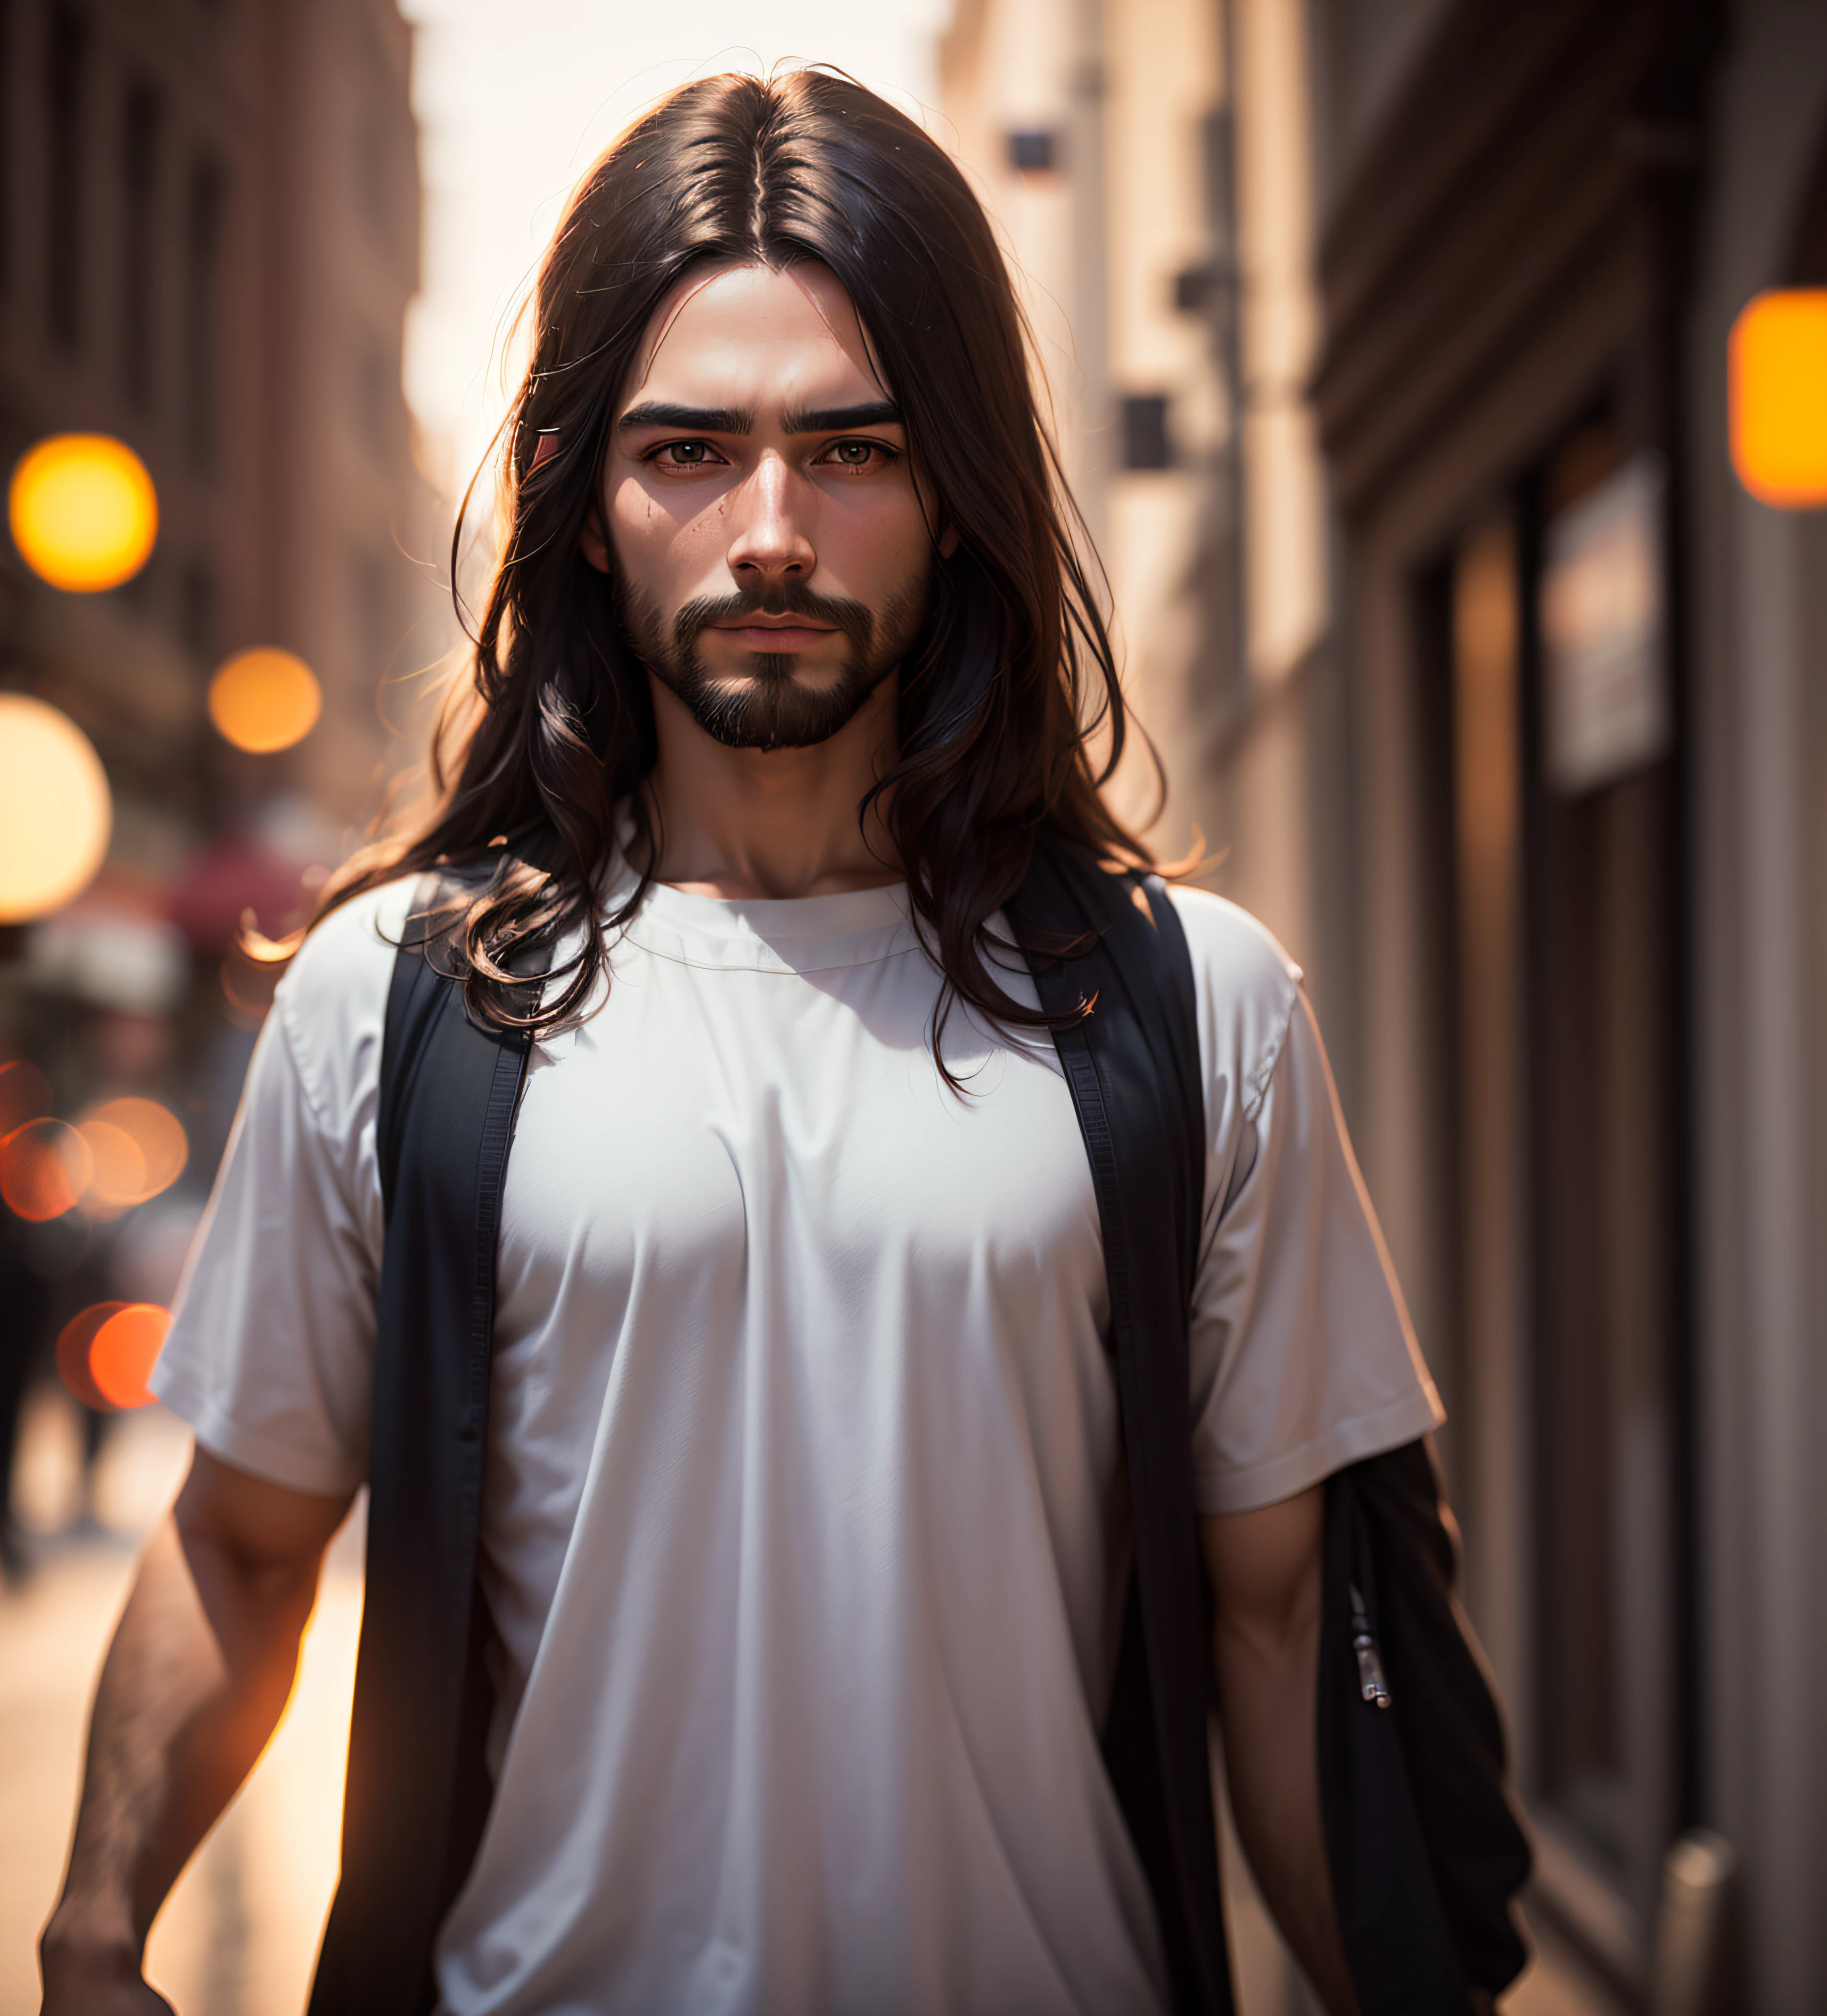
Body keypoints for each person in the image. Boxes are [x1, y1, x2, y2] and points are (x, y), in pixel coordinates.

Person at [39, 71, 1464, 2016]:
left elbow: (1279, 1624)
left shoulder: (1188, 1006)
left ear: (954, 494)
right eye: (691, 449)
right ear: (587, 497)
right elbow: (236, 1545)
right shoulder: (396, 1004)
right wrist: (95, 1929)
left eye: (852, 449)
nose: (772, 529)